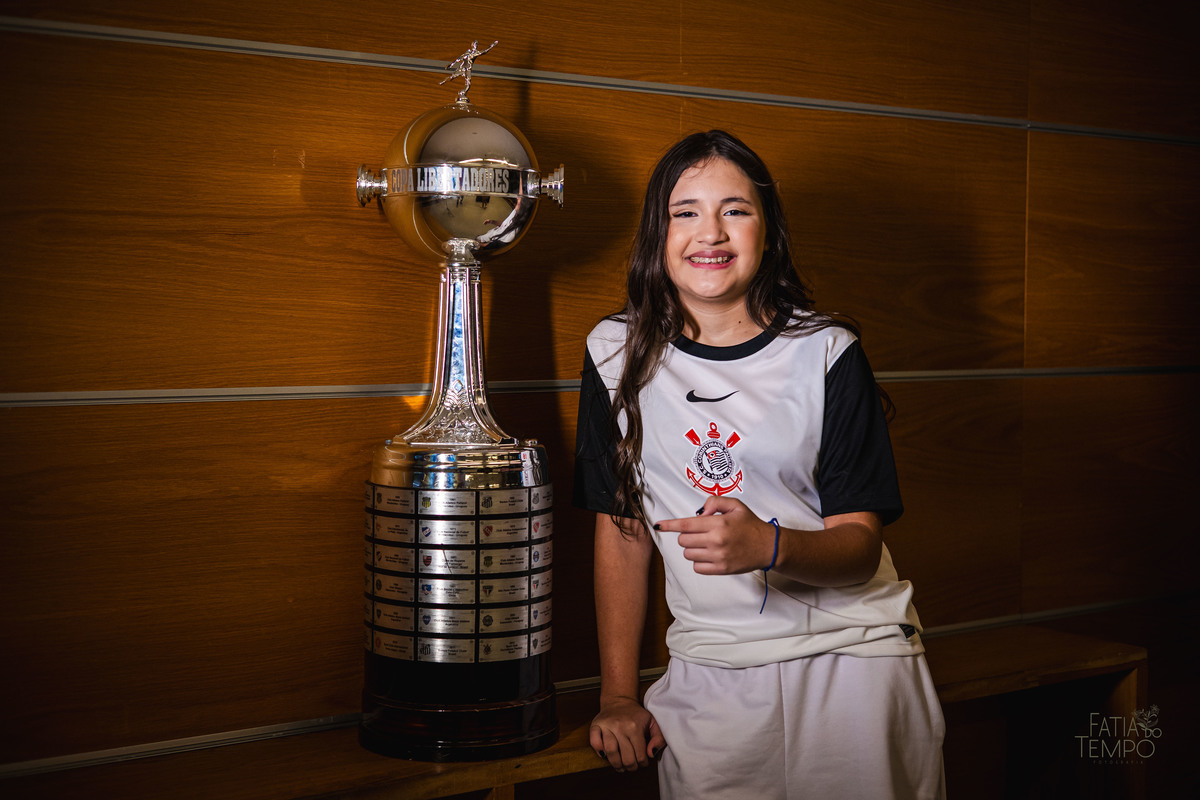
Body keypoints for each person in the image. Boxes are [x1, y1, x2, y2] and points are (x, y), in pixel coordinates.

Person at [573, 130, 945, 799]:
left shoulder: (829, 352)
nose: (709, 232)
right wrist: (619, 694)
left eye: (735, 210)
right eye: (685, 211)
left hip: (852, 659)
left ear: (768, 232)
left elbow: (860, 549)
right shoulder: (612, 353)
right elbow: (622, 530)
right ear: (658, 233)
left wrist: (766, 546)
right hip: (712, 671)